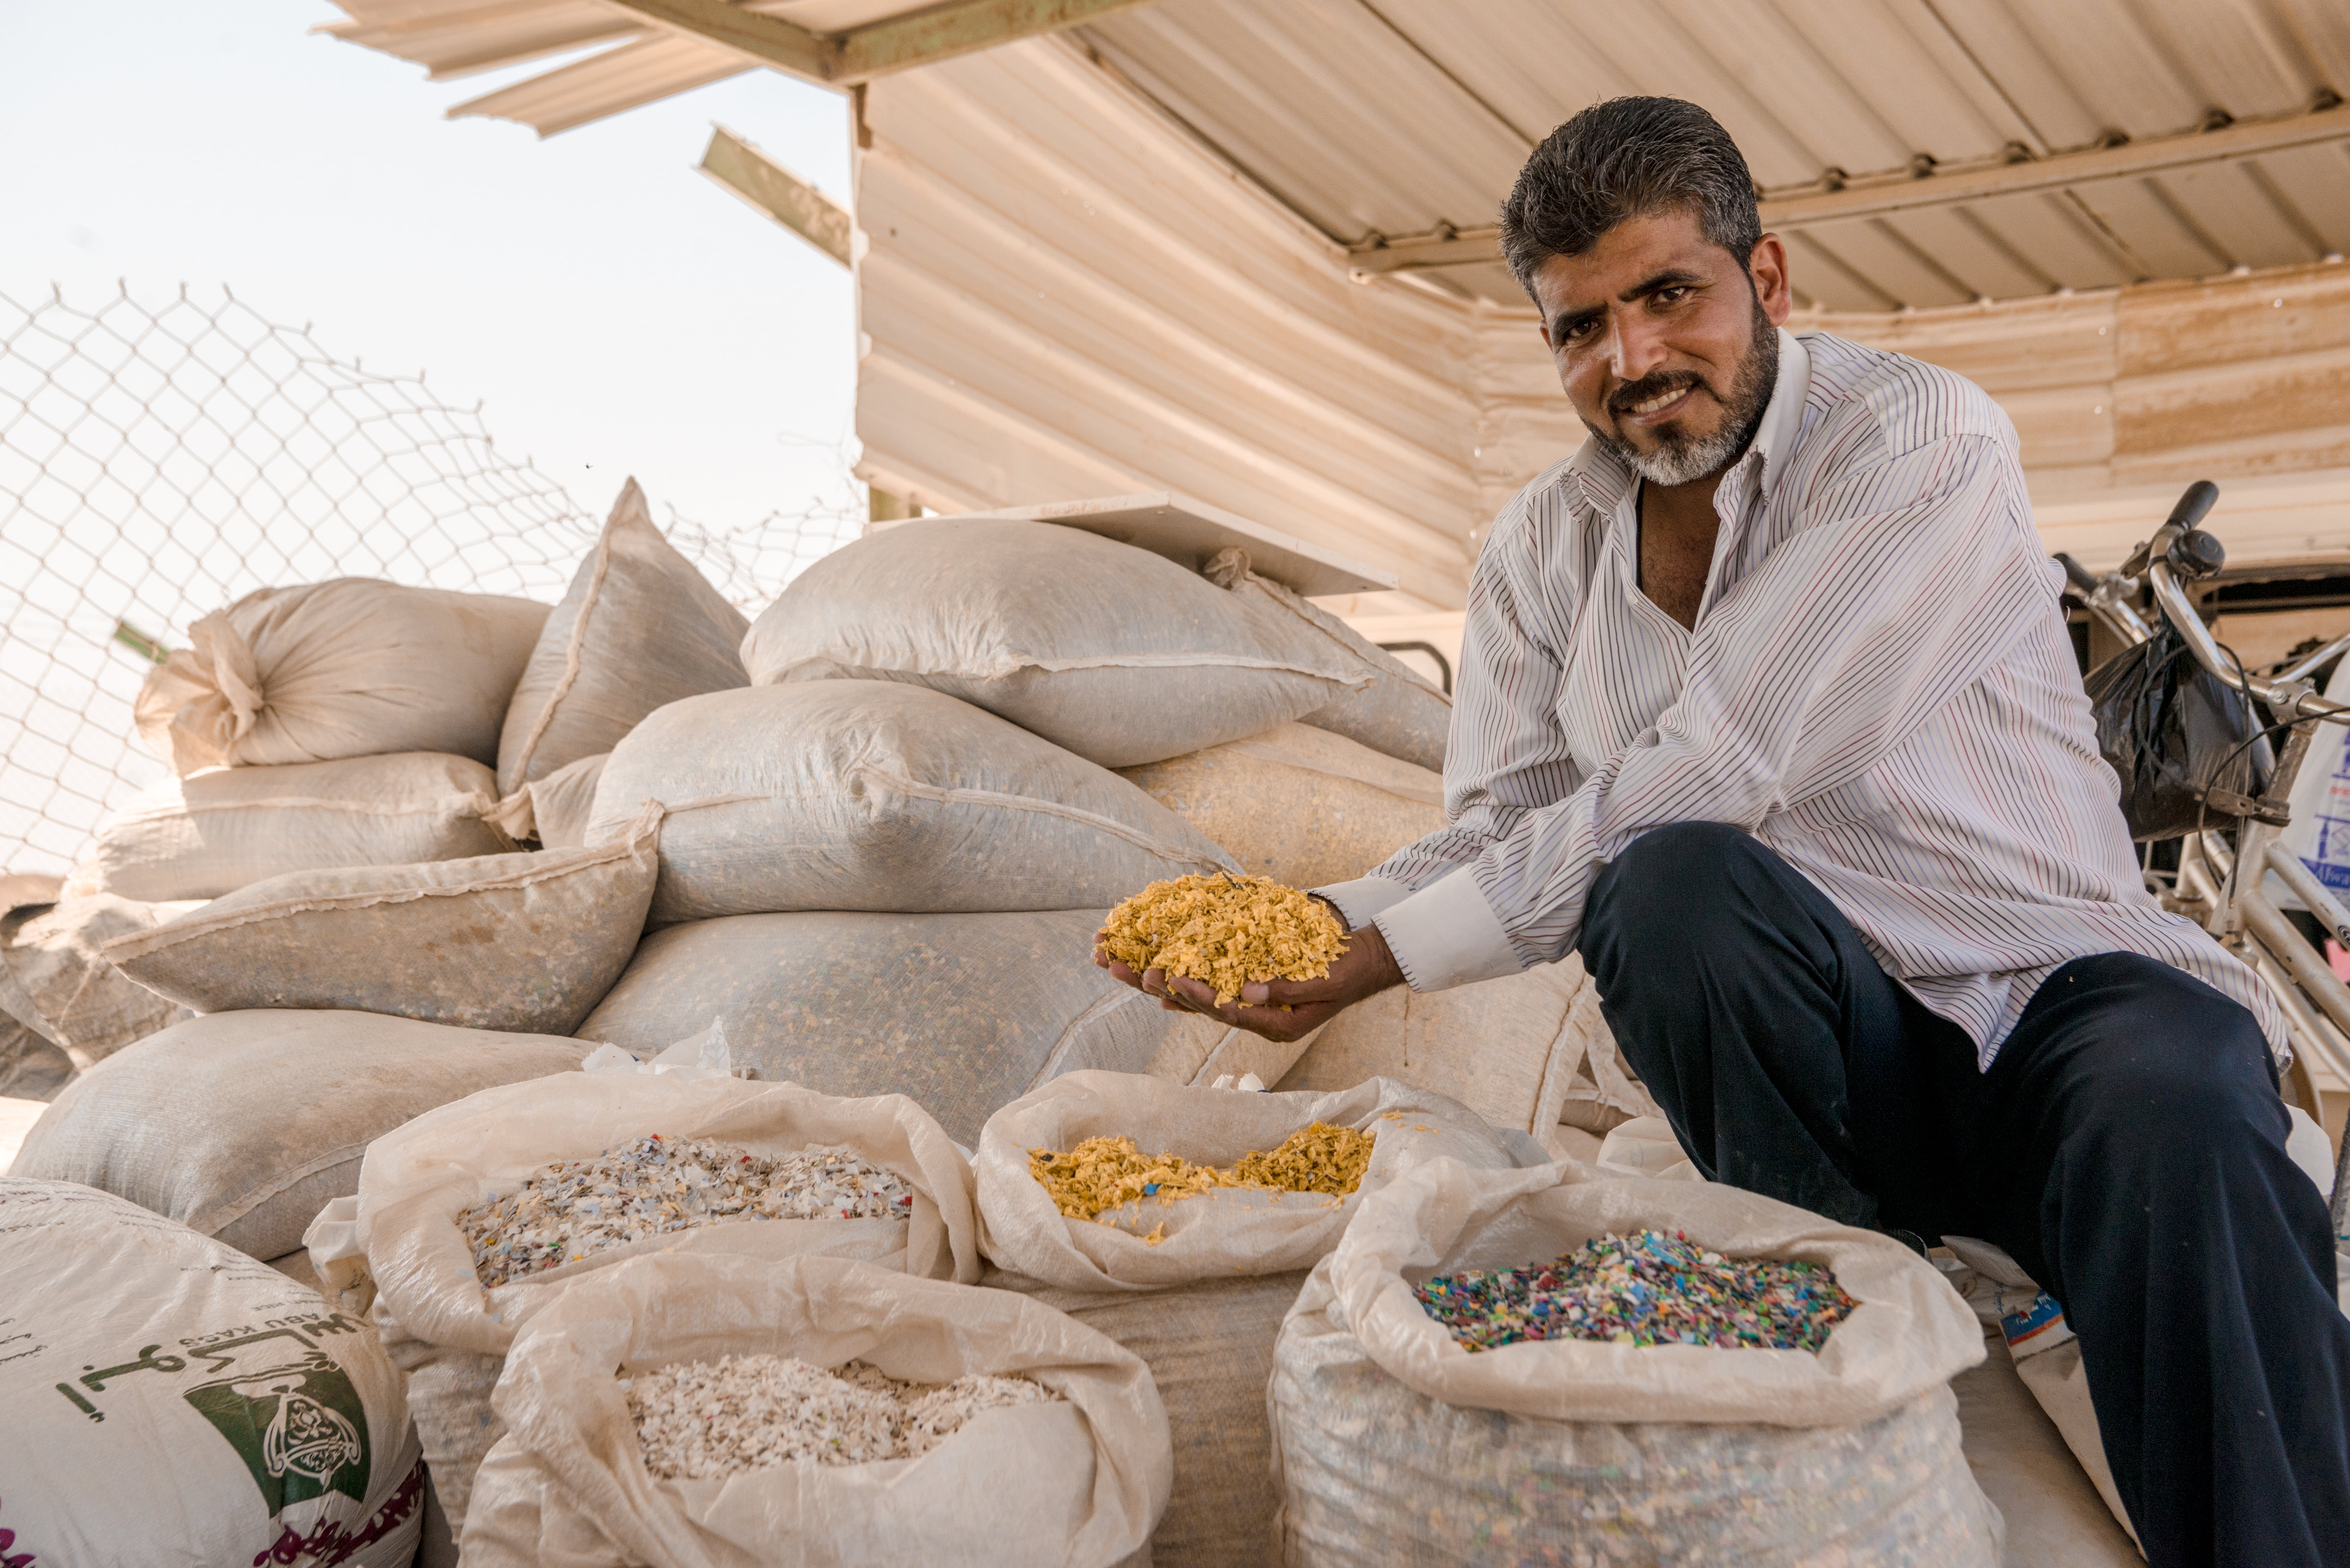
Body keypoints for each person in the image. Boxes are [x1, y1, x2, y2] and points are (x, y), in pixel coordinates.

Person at [1094, 95, 2350, 1565]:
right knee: (1670, 895)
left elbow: (1730, 751)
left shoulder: (1916, 439)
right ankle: (1831, 1299)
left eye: (1666, 296)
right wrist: (1319, 921)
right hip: (1832, 1076)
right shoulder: (1539, 551)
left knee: (2176, 1095)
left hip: (2053, 1011)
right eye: (1577, 329)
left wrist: (1382, 958)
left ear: (1764, 280)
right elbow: (1505, 828)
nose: (1631, 363)